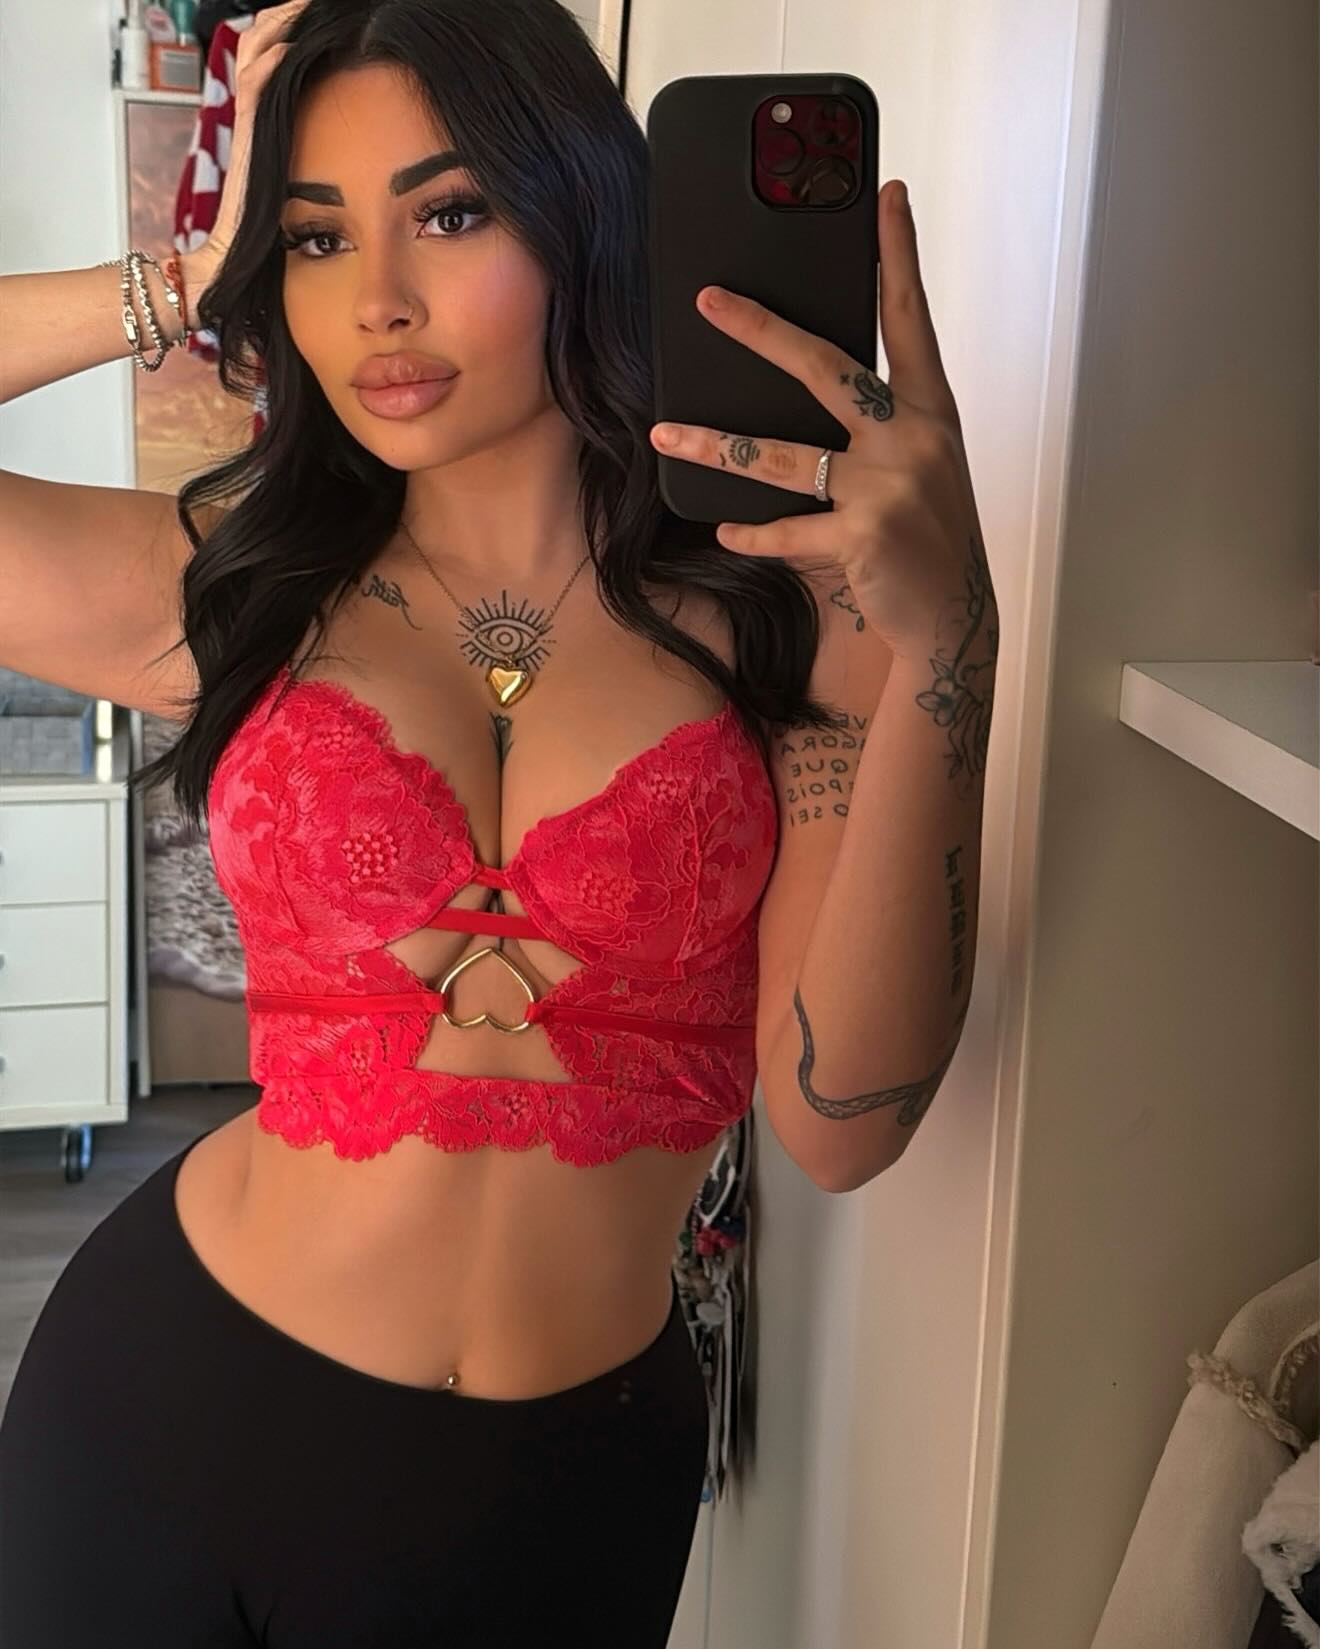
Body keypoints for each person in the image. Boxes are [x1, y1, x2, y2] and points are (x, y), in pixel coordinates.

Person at [0, 0, 995, 1640]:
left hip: (555, 1489)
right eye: (317, 236)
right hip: (159, 1418)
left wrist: (952, 646)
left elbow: (842, 1121)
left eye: (451, 213)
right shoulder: (237, 592)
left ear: (582, 209)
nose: (376, 300)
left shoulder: (789, 614)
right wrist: (186, 275)